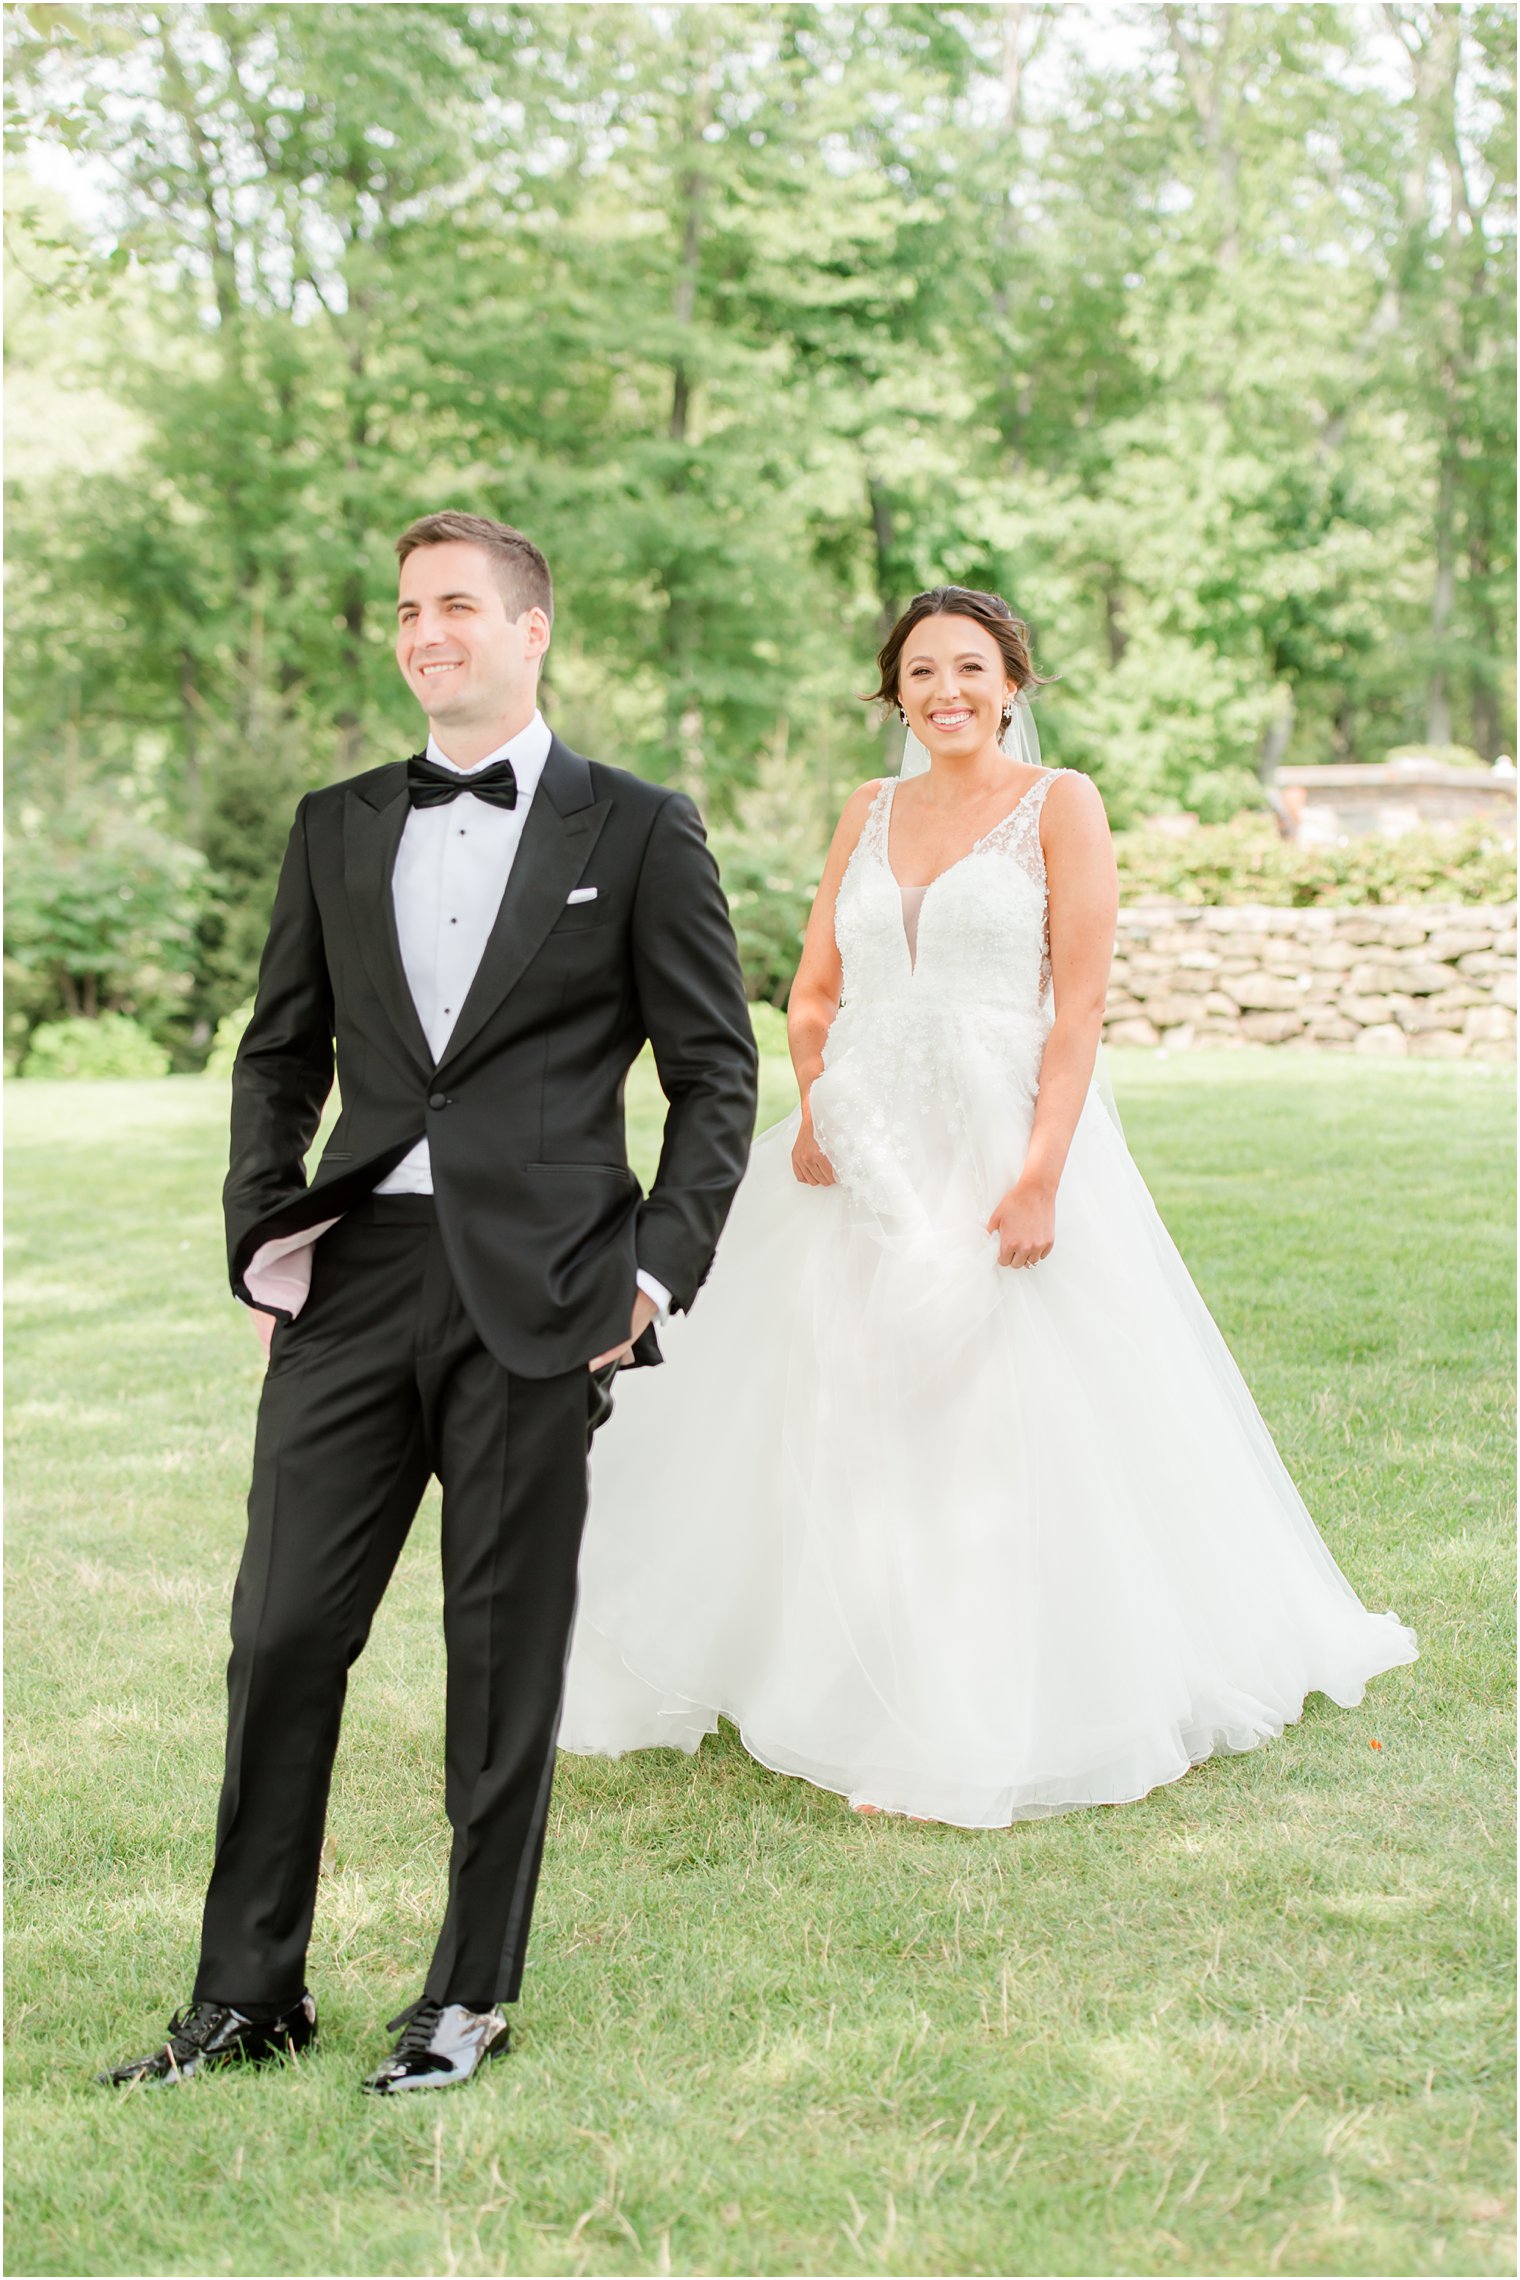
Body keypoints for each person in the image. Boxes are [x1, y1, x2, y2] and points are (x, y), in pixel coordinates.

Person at [559, 586, 1417, 1825]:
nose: (943, 691)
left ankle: (966, 1704)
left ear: (1010, 680)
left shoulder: (1058, 805)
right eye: (918, 672)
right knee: (818, 1395)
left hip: (996, 1138)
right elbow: (810, 990)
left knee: (979, 1404)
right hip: (855, 1143)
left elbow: (1074, 1009)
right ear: (892, 692)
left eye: (968, 667)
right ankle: (819, 1668)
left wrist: (1038, 1173)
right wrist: (818, 1103)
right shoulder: (866, 809)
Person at [100, 510, 758, 2093]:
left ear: (531, 629)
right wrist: (264, 1235)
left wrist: (652, 1272)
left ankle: (465, 1995)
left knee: (499, 1653)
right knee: (281, 1633)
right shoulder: (334, 825)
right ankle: (247, 1997)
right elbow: (279, 1051)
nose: (423, 631)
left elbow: (715, 1072)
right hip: (355, 1276)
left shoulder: (641, 828)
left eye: (456, 605)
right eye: (406, 609)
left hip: (544, 1293)